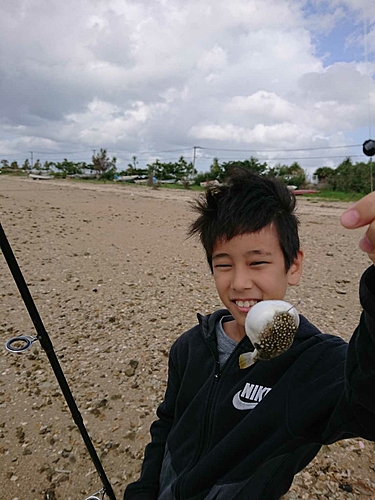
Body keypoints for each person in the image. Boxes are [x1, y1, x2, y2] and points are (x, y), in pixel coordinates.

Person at [124, 168, 375, 500]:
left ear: (294, 265)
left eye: (257, 263)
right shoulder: (190, 345)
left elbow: (367, 406)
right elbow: (168, 421)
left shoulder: (313, 361)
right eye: (224, 265)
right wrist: (144, 487)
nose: (239, 282)